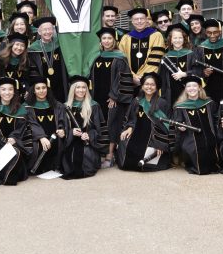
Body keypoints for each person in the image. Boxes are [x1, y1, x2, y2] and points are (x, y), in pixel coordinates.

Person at [88, 28, 134, 168]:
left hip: (113, 99)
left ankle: (109, 155)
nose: (106, 41)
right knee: (100, 124)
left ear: (114, 40)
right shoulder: (96, 57)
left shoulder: (120, 57)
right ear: (100, 41)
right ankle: (101, 153)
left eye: (109, 38)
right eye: (104, 38)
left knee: (112, 125)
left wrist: (114, 96)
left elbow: (123, 77)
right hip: (97, 97)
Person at [117, 72, 172, 171]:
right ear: (142, 86)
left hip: (154, 138)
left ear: (156, 87)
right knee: (124, 143)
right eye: (146, 84)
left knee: (148, 161)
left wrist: (161, 144)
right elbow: (131, 118)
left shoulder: (162, 103)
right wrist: (129, 128)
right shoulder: (137, 101)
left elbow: (166, 127)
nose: (149, 87)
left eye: (152, 84)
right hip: (137, 133)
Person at [59, 75, 106, 179]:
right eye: (78, 87)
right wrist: (71, 132)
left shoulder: (94, 106)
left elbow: (100, 128)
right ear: (73, 89)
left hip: (88, 143)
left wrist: (89, 135)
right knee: (69, 158)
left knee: (86, 157)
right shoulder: (65, 106)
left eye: (84, 87)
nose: (81, 90)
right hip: (71, 141)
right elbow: (61, 127)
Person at [0, 79, 31, 185]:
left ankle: (4, 176)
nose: (7, 92)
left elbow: (21, 128)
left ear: (14, 92)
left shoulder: (20, 109)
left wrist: (14, 138)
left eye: (10, 89)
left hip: (12, 142)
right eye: (3, 89)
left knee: (15, 151)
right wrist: (1, 140)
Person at [172, 76, 220, 174]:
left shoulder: (209, 103)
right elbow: (177, 122)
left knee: (211, 153)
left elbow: (216, 119)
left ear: (199, 88)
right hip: (191, 140)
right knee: (198, 158)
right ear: (185, 89)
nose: (192, 88)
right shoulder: (180, 106)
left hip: (210, 138)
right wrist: (180, 127)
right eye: (189, 86)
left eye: (194, 86)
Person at [23, 76, 67, 175]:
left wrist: (62, 129)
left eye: (44, 88)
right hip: (36, 139)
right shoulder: (26, 107)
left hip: (55, 137)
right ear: (33, 91)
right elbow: (29, 124)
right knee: (37, 146)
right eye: (38, 88)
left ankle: (57, 165)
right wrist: (41, 137)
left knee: (62, 143)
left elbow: (62, 121)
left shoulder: (57, 105)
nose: (41, 91)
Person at [191, 18, 223, 103]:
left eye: (215, 32)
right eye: (209, 33)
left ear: (220, 32)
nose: (212, 35)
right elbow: (195, 69)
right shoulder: (200, 48)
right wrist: (203, 72)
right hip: (207, 87)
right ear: (205, 32)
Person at [118, 7, 165, 87]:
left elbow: (155, 60)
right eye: (136, 19)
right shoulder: (126, 38)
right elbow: (121, 60)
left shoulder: (156, 35)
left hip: (150, 81)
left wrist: (144, 78)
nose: (139, 21)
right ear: (132, 21)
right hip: (130, 81)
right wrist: (132, 76)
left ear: (146, 20)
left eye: (142, 19)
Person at [29, 17, 69, 101]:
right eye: (44, 29)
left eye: (50, 29)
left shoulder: (60, 44)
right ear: (39, 32)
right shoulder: (33, 49)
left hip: (61, 84)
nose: (47, 32)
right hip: (43, 87)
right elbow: (33, 70)